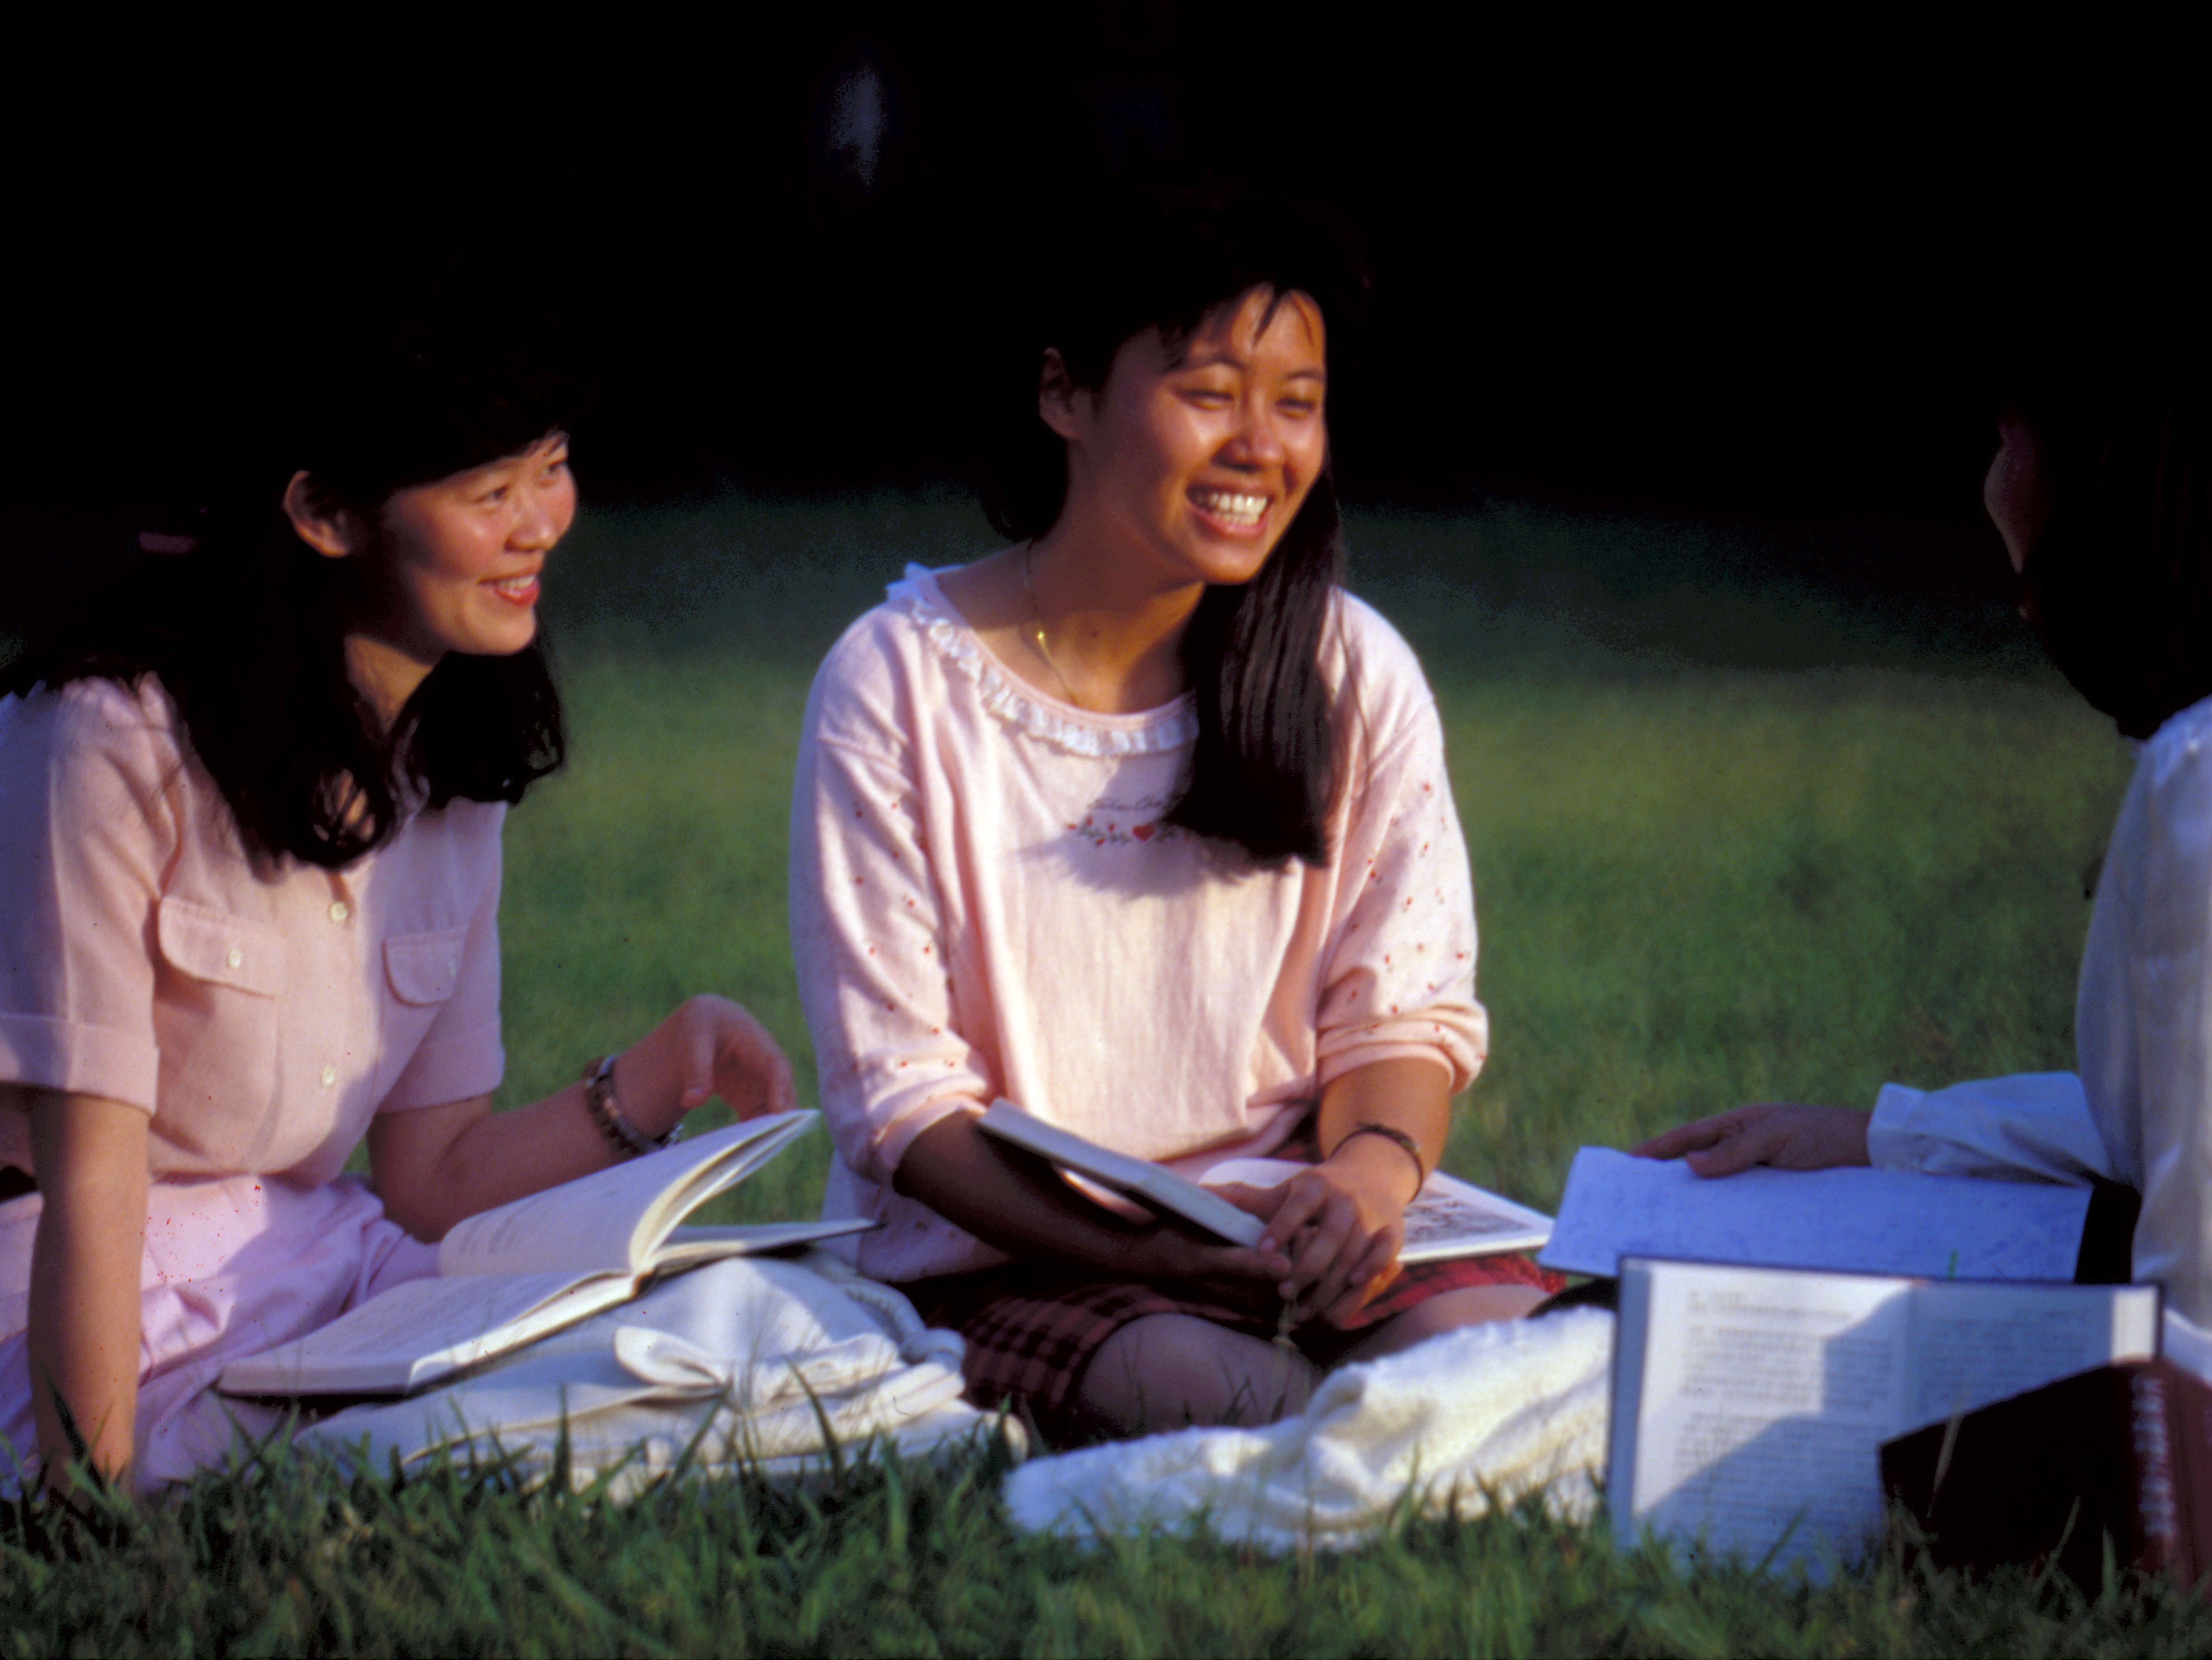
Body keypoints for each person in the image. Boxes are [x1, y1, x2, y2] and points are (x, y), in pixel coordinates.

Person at [1639, 324, 2212, 1467]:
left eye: (2007, 438)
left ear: (2115, 473)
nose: (1989, 490)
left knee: (1696, 1362)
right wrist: (1887, 1135)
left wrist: (2192, 1490)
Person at [789, 189, 1557, 1444]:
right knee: (1226, 1400)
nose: (1260, 446)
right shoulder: (897, 679)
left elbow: (1399, 1010)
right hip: (1014, 1259)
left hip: (1291, 1231)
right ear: (1065, 395)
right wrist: (1157, 1258)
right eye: (1209, 393)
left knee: (1523, 1358)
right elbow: (901, 1103)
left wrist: (1367, 1175)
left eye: (1295, 403)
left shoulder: (1349, 670)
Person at [0, 296, 796, 1493]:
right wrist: (92, 1507)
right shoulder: (105, 740)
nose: (541, 525)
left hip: (325, 1265)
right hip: (70, 1302)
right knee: (441, 1442)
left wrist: (651, 1077)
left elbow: (433, 1177)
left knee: (744, 1325)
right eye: (490, 493)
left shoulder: (453, 769)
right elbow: (91, 1186)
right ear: (325, 514)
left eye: (552, 468)